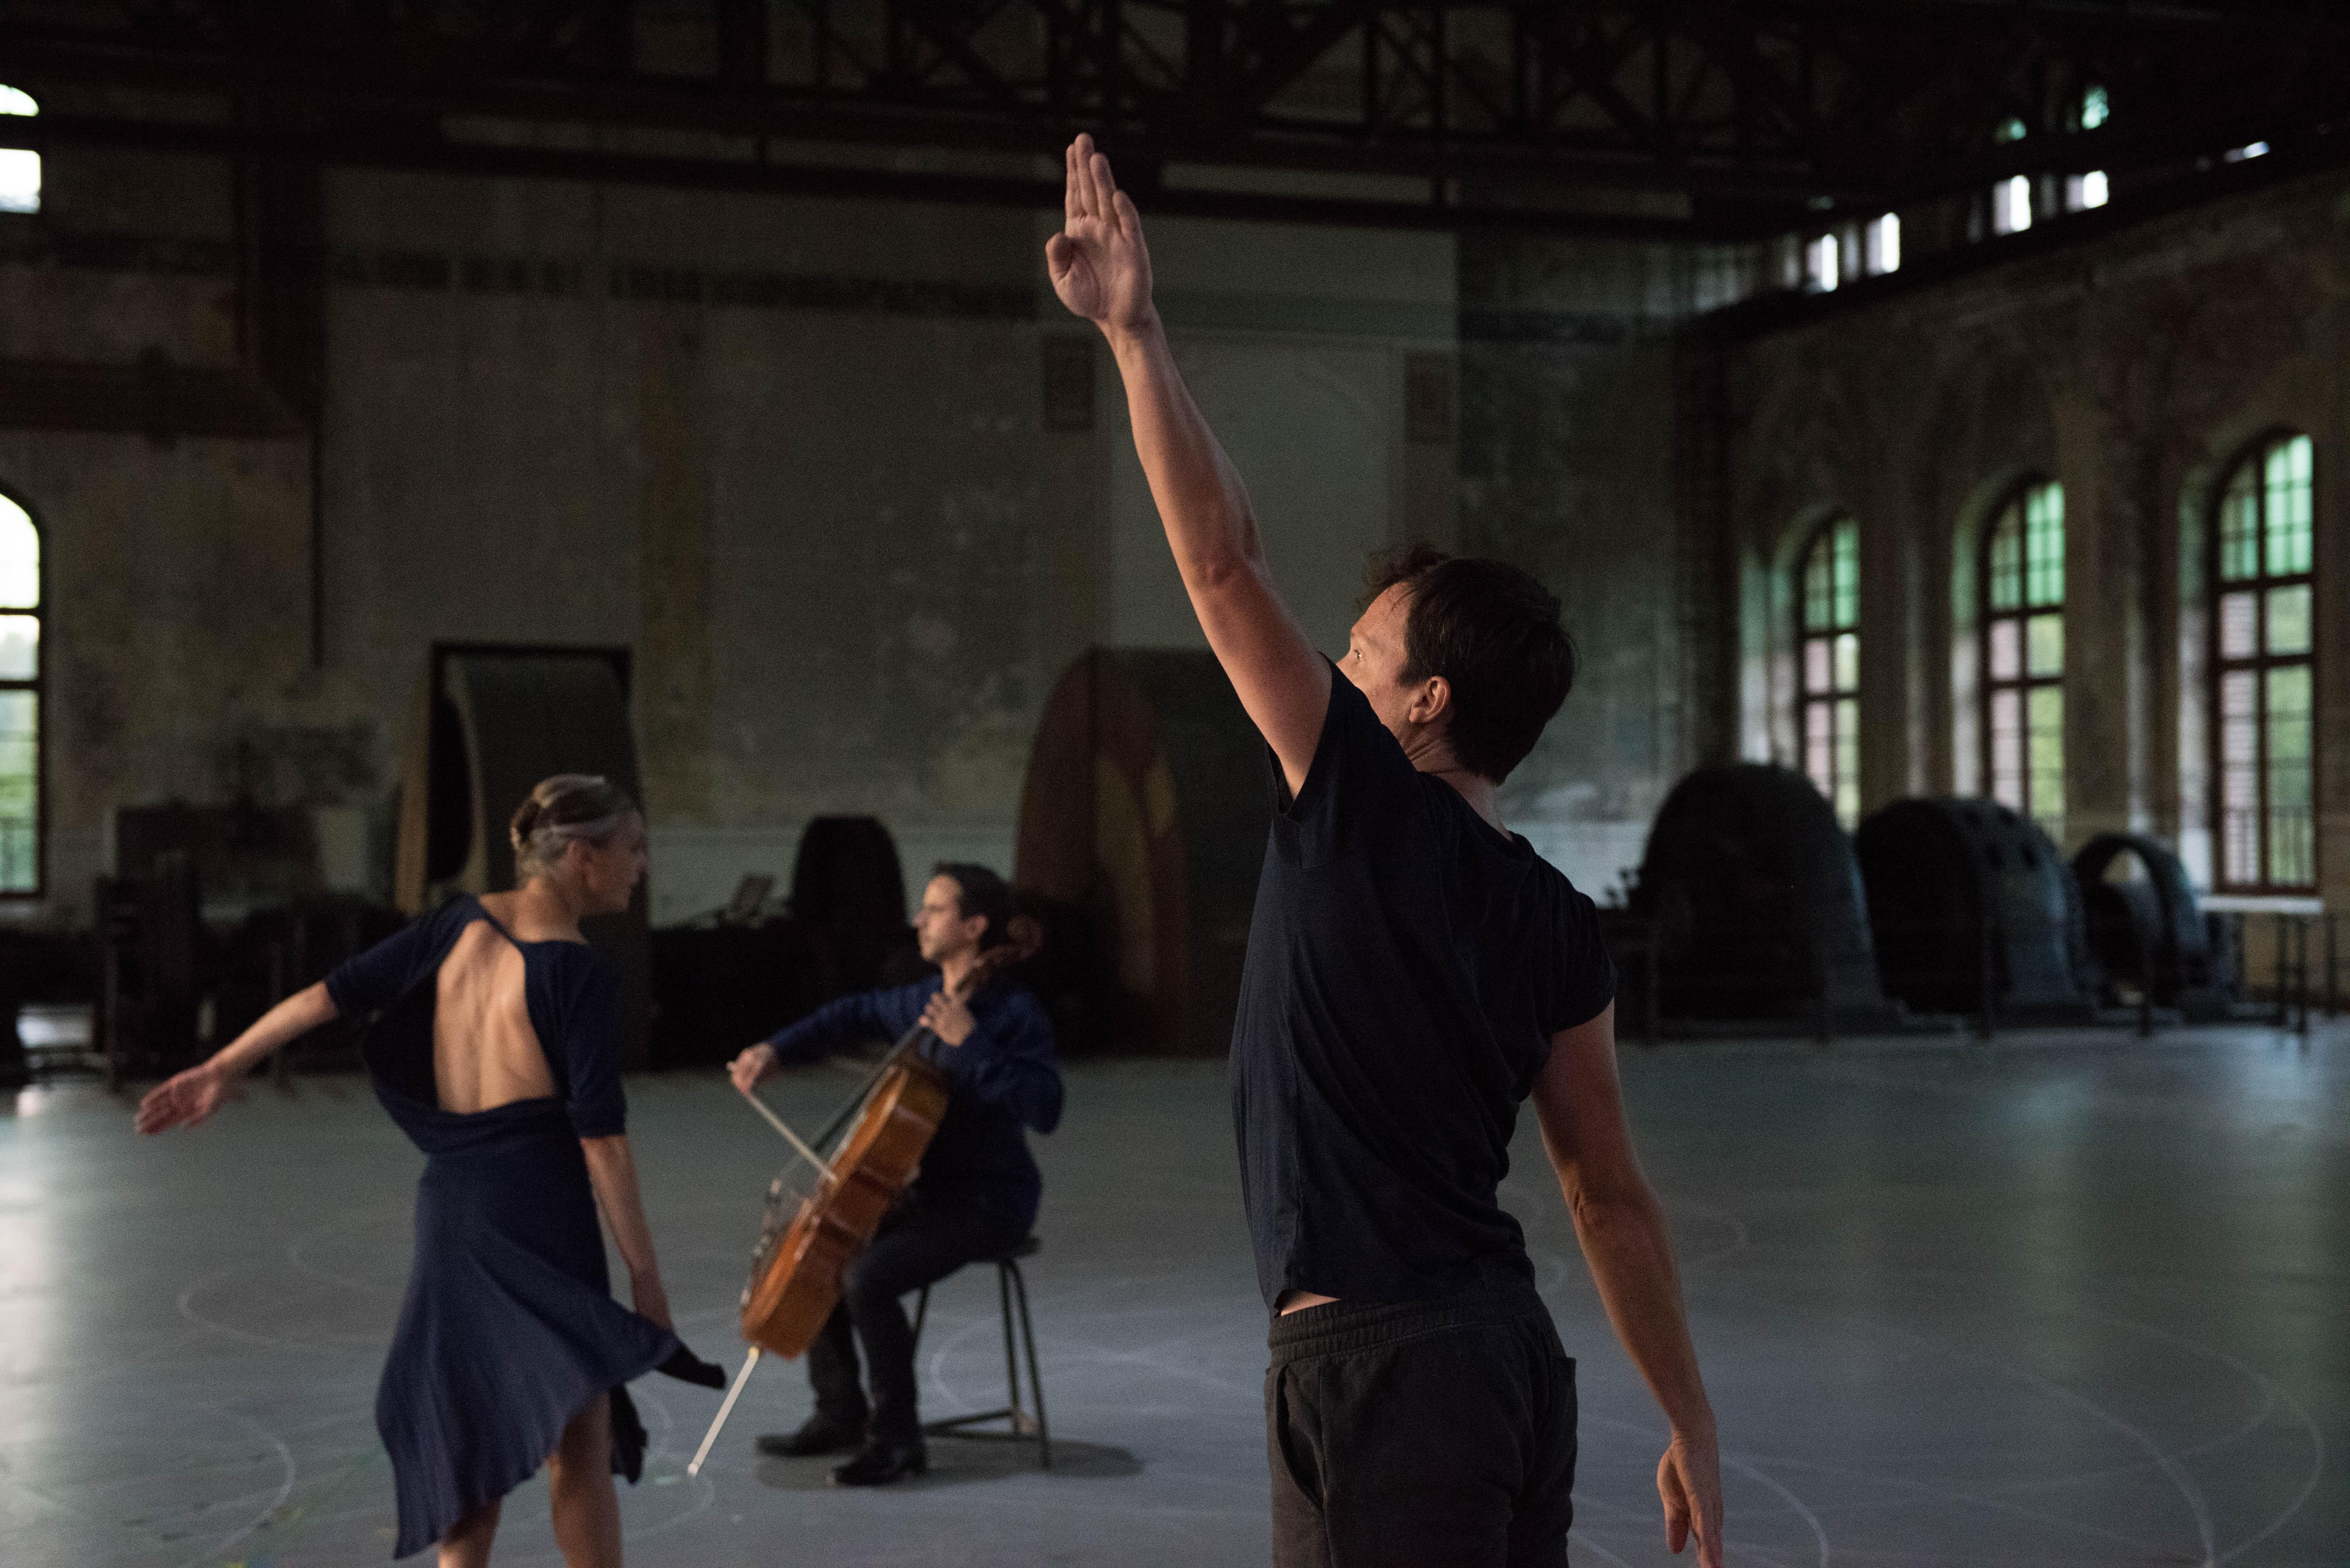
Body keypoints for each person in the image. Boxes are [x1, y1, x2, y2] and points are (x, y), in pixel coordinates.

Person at [1046, 135, 1727, 1568]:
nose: (1335, 669)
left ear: (1425, 703)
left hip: (1378, 1371)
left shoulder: (1358, 797)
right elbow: (1607, 1194)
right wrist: (1691, 1422)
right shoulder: (1556, 918)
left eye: (1361, 656)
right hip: (1510, 1366)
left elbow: (1222, 561)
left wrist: (1137, 334)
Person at [136, 775, 721, 1567]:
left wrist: (223, 1064)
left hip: (453, 1209)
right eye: (633, 847)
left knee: (468, 1438)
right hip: (541, 1214)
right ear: (582, 856)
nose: (641, 865)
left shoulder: (455, 924)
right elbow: (602, 1141)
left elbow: (323, 997)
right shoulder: (578, 972)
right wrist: (646, 1277)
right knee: (578, 1445)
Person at [727, 862, 1062, 1486]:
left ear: (973, 926)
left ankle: (898, 1438)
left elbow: (1046, 1108)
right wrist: (775, 1049)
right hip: (934, 1193)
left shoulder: (1015, 1013)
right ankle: (840, 1413)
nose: (918, 920)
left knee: (868, 1277)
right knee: (823, 1242)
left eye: (933, 909)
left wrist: (972, 1045)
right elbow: (847, 1015)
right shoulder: (924, 1001)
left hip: (992, 1201)